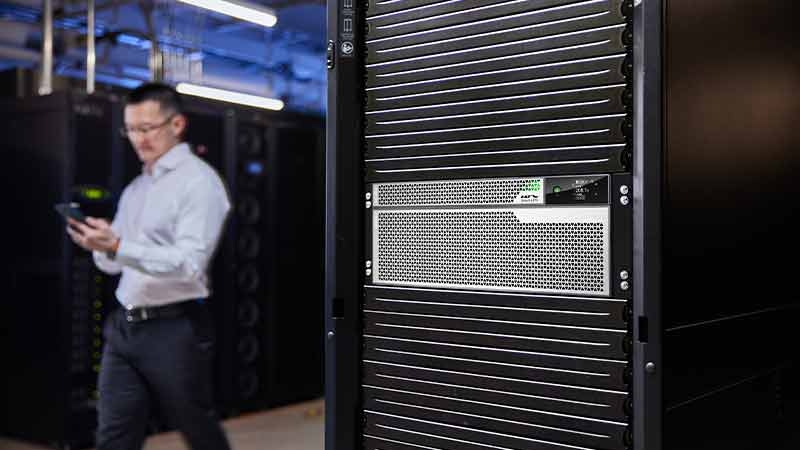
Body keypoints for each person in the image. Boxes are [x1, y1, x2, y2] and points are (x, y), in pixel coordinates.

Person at [66, 82, 232, 450]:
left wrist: (120, 245)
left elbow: (190, 264)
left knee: (198, 430)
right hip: (125, 327)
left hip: (174, 329)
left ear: (176, 125)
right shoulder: (137, 189)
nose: (138, 139)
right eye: (130, 129)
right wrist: (103, 246)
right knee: (113, 434)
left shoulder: (199, 183)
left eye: (147, 128)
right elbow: (115, 266)